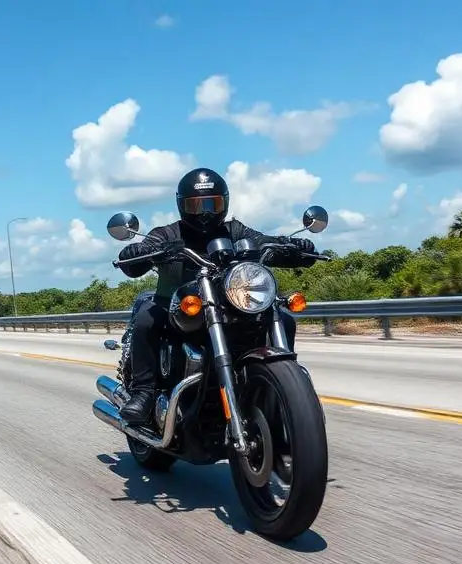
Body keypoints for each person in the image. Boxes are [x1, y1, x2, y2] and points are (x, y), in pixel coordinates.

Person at [115, 167, 318, 425]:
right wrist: (136, 252)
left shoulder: (235, 231)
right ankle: (144, 392)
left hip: (228, 305)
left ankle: (283, 387)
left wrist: (293, 247)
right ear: (182, 206)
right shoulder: (167, 234)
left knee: (284, 319)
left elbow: (263, 240)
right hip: (178, 306)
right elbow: (141, 254)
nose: (205, 212)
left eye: (212, 204)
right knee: (146, 318)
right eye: (196, 205)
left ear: (224, 202)